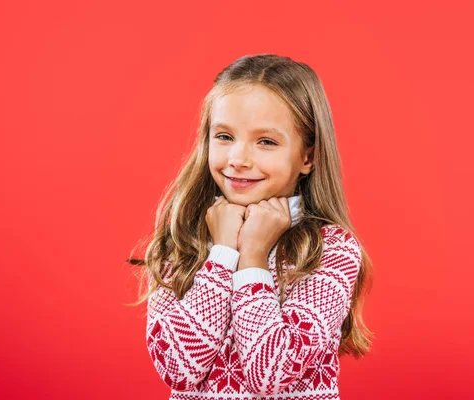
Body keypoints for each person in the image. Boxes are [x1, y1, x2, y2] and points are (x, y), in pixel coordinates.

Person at [127, 54, 374, 399]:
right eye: (225, 136)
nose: (239, 159)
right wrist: (222, 252)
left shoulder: (330, 249)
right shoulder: (182, 241)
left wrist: (253, 257)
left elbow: (269, 374)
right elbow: (177, 369)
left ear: (307, 157)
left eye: (266, 142)